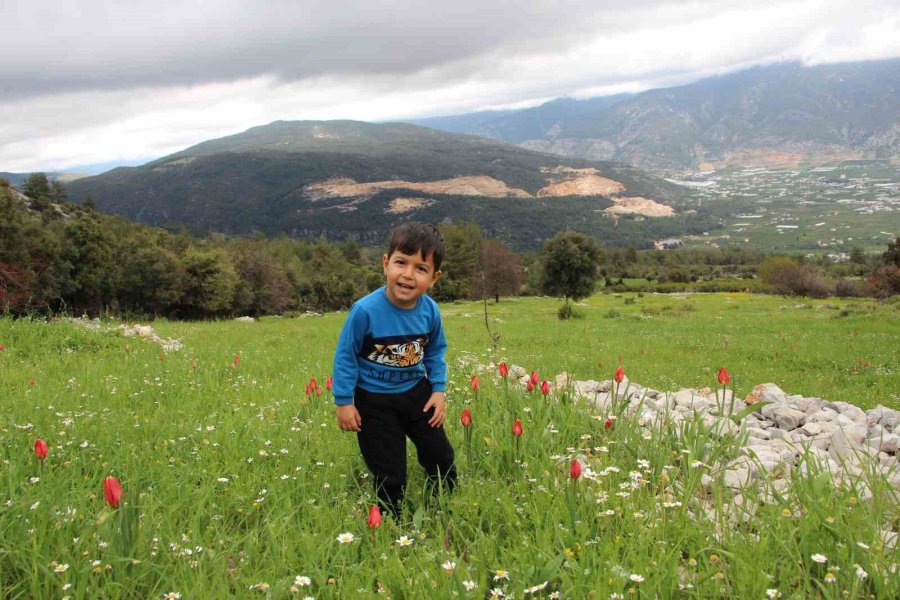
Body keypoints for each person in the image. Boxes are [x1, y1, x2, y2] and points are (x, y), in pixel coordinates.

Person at [333, 222, 457, 520]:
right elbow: (346, 355)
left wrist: (438, 390)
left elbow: (436, 350)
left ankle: (448, 503)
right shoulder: (365, 311)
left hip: (417, 394)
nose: (408, 274)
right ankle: (392, 522)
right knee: (390, 471)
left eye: (420, 268)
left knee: (440, 455)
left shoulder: (430, 311)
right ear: (386, 263)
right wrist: (344, 402)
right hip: (372, 400)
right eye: (401, 262)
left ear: (434, 278)